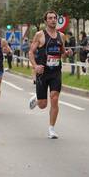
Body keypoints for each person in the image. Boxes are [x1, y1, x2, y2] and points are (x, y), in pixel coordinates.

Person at [28, 10, 72, 139]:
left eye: (55, 18)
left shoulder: (61, 36)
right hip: (43, 73)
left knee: (54, 98)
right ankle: (37, 98)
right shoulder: (39, 35)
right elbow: (31, 52)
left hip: (55, 72)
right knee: (43, 105)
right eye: (50, 18)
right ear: (46, 21)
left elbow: (62, 53)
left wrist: (67, 53)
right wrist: (35, 66)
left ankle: (51, 129)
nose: (53, 20)